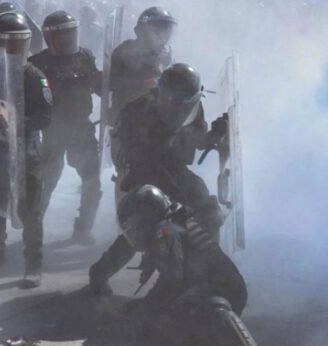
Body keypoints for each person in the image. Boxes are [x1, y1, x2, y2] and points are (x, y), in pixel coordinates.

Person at [89, 185, 268, 346]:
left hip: (222, 291)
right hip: (197, 287)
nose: (132, 233)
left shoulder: (167, 232)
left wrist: (144, 312)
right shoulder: (167, 225)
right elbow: (168, 274)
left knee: (211, 310)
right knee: (161, 323)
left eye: (135, 226)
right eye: (128, 229)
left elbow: (170, 281)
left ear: (148, 219)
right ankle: (207, 335)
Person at [0, 11, 51, 287]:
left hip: (26, 151)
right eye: (7, 43)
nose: (12, 49)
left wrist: (16, 122)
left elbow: (45, 116)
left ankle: (34, 263)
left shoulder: (33, 76)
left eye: (18, 43)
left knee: (31, 210)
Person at [114, 63, 229, 234]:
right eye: (175, 102)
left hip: (171, 169)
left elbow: (195, 139)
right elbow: (144, 165)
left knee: (208, 210)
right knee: (149, 214)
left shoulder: (193, 109)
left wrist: (215, 134)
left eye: (187, 104)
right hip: (136, 175)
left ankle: (205, 256)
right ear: (162, 95)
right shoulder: (137, 114)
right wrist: (182, 202)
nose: (180, 110)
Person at [29, 10, 102, 245]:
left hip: (81, 127)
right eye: (63, 35)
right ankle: (34, 231)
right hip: (53, 130)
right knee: (45, 183)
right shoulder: (38, 63)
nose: (69, 39)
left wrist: (100, 82)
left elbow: (98, 86)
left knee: (92, 180)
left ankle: (83, 229)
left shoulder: (84, 56)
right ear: (50, 38)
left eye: (72, 33)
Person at [108, 6, 175, 123]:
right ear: (143, 30)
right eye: (158, 28)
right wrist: (142, 84)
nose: (162, 34)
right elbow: (111, 83)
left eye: (166, 28)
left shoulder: (166, 55)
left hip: (157, 121)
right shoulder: (125, 51)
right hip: (127, 119)